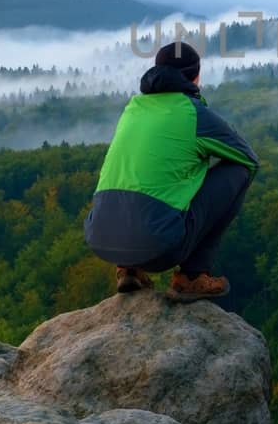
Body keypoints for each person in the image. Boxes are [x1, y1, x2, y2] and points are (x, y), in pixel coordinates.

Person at [84, 40, 258, 300]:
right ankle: (192, 276)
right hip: (160, 247)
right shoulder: (194, 114)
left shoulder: (133, 109)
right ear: (196, 77)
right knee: (239, 171)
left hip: (100, 238)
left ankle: (128, 269)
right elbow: (248, 158)